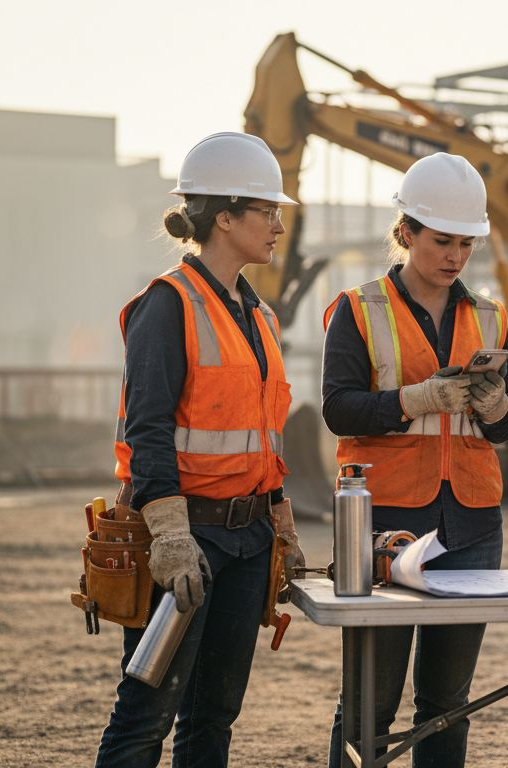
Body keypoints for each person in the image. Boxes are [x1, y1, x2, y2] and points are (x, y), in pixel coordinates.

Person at [96, 131, 306, 767]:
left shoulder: (259, 316)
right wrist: (168, 534)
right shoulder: (167, 305)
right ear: (225, 217)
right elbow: (148, 427)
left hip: (245, 545)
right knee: (144, 717)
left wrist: (282, 526)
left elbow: (263, 436)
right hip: (186, 540)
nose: (277, 224)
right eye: (267, 211)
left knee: (213, 718)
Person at [321, 152, 508, 767]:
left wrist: (493, 410)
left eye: (466, 243)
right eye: (442, 241)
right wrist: (413, 400)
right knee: (369, 704)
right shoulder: (358, 310)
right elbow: (338, 409)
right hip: (383, 525)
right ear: (406, 232)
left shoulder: (489, 316)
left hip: (472, 526)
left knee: (447, 703)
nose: (456, 256)